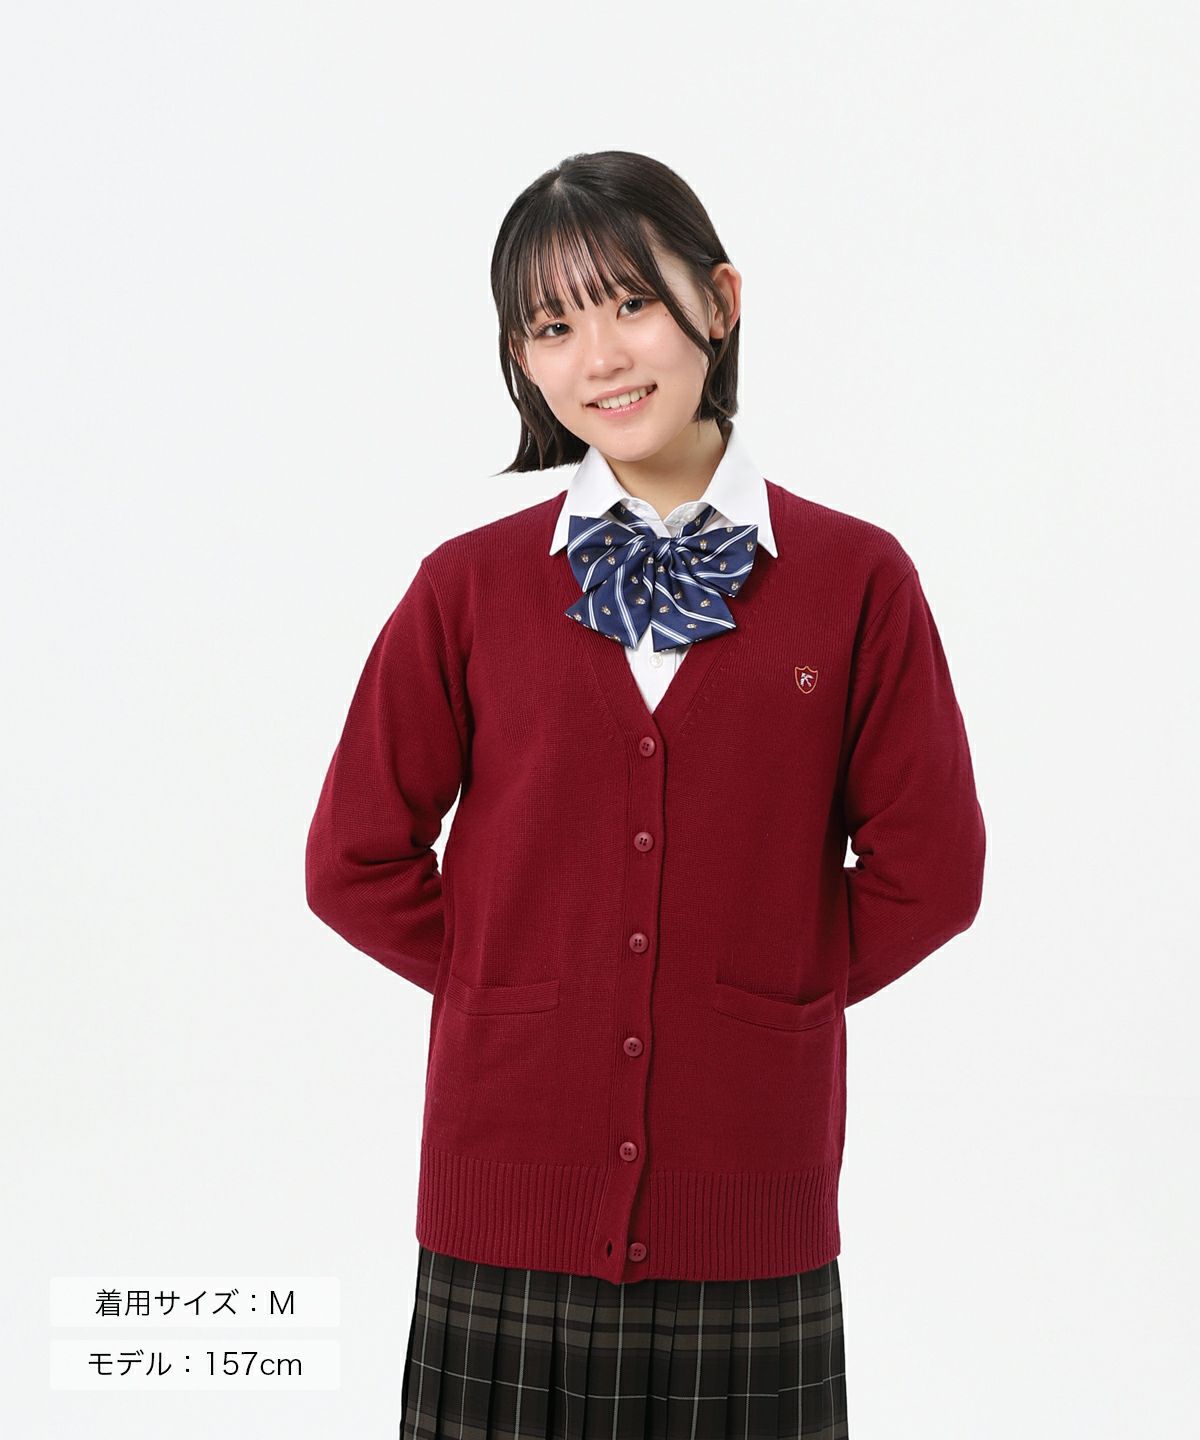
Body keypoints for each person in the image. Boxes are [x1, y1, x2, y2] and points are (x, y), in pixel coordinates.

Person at [305, 149, 986, 1440]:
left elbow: (932, 874)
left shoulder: (855, 580)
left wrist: (764, 990)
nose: (601, 358)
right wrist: (515, 984)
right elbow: (354, 858)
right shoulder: (468, 587)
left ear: (718, 303)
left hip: (749, 1197)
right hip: (506, 1193)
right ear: (521, 360)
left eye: (631, 303)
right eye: (552, 327)